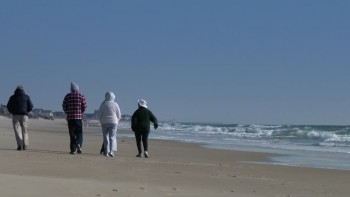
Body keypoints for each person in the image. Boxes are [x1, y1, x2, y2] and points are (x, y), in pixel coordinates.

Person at [62, 82, 87, 154]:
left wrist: (67, 112)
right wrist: (81, 112)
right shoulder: (81, 96)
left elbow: (64, 105)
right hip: (78, 117)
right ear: (77, 88)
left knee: (72, 133)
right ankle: (78, 144)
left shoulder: (67, 96)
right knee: (79, 132)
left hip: (70, 118)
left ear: (71, 89)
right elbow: (84, 106)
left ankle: (73, 149)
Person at [7, 85, 34, 151]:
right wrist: (26, 111)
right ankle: (25, 144)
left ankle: (20, 145)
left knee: (17, 130)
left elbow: (8, 106)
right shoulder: (26, 97)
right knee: (25, 130)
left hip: (15, 115)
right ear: (23, 90)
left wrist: (12, 111)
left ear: (16, 90)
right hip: (24, 116)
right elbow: (31, 106)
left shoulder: (12, 97)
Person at [98, 92, 121, 157]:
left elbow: (99, 114)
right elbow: (119, 114)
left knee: (105, 137)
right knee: (112, 137)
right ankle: (111, 151)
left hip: (104, 122)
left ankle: (106, 152)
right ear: (113, 97)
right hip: (114, 122)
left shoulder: (103, 104)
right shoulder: (115, 104)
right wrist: (117, 120)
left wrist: (101, 120)